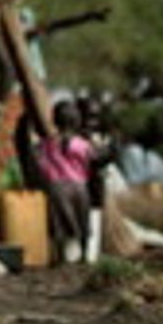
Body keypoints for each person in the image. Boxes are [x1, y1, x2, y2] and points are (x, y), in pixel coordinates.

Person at [38, 100, 99, 263]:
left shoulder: (48, 143)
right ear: (77, 121)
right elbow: (92, 160)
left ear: (55, 121)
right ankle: (84, 255)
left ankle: (60, 257)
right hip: (79, 186)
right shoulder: (83, 144)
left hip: (57, 187)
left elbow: (42, 165)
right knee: (83, 221)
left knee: (57, 223)